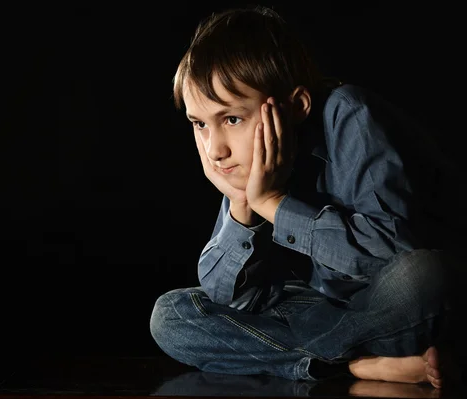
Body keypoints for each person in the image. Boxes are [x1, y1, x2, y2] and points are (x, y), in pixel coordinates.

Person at [149, 4, 464, 389]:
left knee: (428, 277)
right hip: (324, 310)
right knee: (171, 316)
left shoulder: (350, 115)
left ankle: (336, 354)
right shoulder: (241, 163)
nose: (215, 150)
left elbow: (392, 254)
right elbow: (240, 301)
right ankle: (357, 362)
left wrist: (272, 203)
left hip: (391, 303)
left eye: (231, 119)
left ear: (296, 106)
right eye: (200, 124)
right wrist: (243, 206)